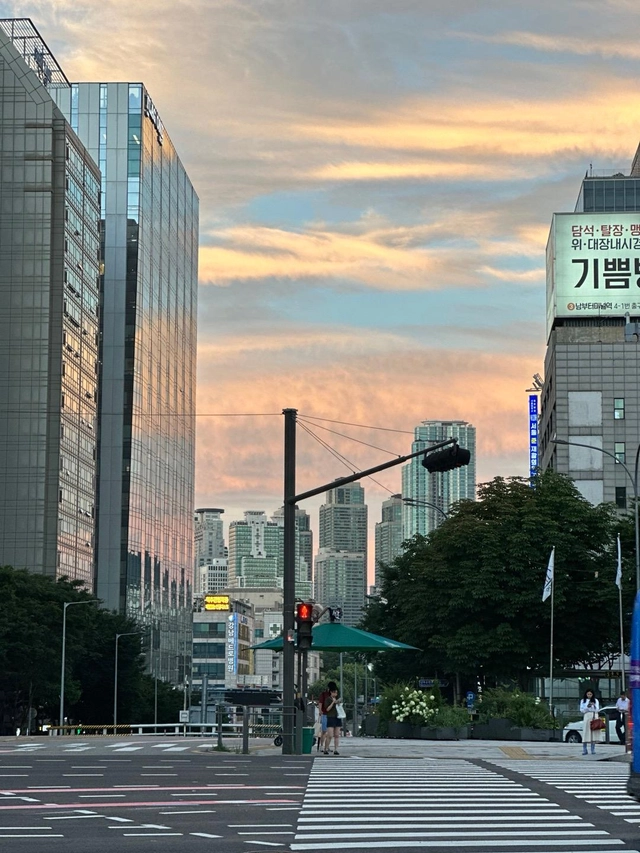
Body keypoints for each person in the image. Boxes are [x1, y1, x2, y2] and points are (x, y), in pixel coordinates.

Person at [579, 689, 601, 755]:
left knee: (593, 733)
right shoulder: (583, 701)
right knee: (586, 732)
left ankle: (593, 749)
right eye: (588, 694)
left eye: (590, 694)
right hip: (587, 715)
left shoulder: (596, 700)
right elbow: (582, 710)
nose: (589, 695)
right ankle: (584, 749)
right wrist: (587, 707)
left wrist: (593, 705)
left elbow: (597, 709)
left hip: (594, 715)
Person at [322, 687, 342, 755]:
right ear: (331, 692)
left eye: (336, 692)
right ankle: (326, 748)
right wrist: (333, 702)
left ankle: (336, 749)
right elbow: (327, 709)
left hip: (338, 717)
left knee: (337, 735)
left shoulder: (338, 699)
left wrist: (338, 703)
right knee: (330, 735)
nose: (335, 694)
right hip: (330, 717)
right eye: (334, 692)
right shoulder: (328, 699)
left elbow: (340, 707)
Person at [318, 681, 337, 749]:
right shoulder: (324, 694)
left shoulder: (333, 695)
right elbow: (320, 703)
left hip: (331, 714)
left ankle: (327, 746)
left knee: (329, 732)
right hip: (325, 713)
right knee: (324, 731)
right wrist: (320, 710)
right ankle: (322, 745)